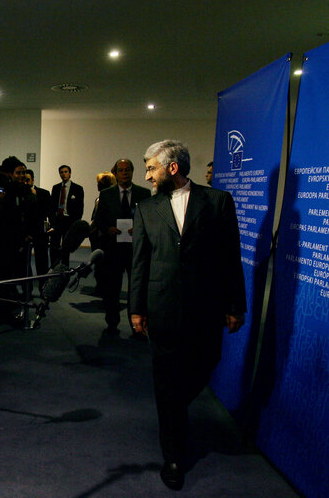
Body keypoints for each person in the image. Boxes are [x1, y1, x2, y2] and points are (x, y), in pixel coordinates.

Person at [129, 140, 246, 491]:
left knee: (206, 362)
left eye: (152, 168)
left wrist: (234, 305)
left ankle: (172, 407)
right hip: (162, 307)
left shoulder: (218, 202)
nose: (147, 175)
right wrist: (136, 308)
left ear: (172, 167)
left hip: (204, 308)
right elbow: (140, 262)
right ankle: (174, 457)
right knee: (166, 381)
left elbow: (230, 258)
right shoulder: (147, 208)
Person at [94, 159, 150, 338]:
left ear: (133, 172)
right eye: (121, 170)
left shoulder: (144, 194)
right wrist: (108, 228)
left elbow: (150, 220)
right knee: (112, 288)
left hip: (136, 249)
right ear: (115, 173)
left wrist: (140, 228)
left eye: (127, 170)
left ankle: (137, 324)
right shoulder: (106, 194)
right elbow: (99, 220)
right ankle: (112, 322)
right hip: (113, 248)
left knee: (137, 288)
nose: (124, 173)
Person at [50, 165, 83, 266]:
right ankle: (53, 266)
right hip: (57, 220)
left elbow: (80, 208)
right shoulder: (56, 188)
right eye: (61, 172)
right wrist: (52, 220)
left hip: (69, 220)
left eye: (65, 172)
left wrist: (75, 223)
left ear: (70, 173)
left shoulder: (77, 188)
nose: (63, 174)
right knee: (54, 245)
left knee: (66, 246)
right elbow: (52, 205)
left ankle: (65, 266)